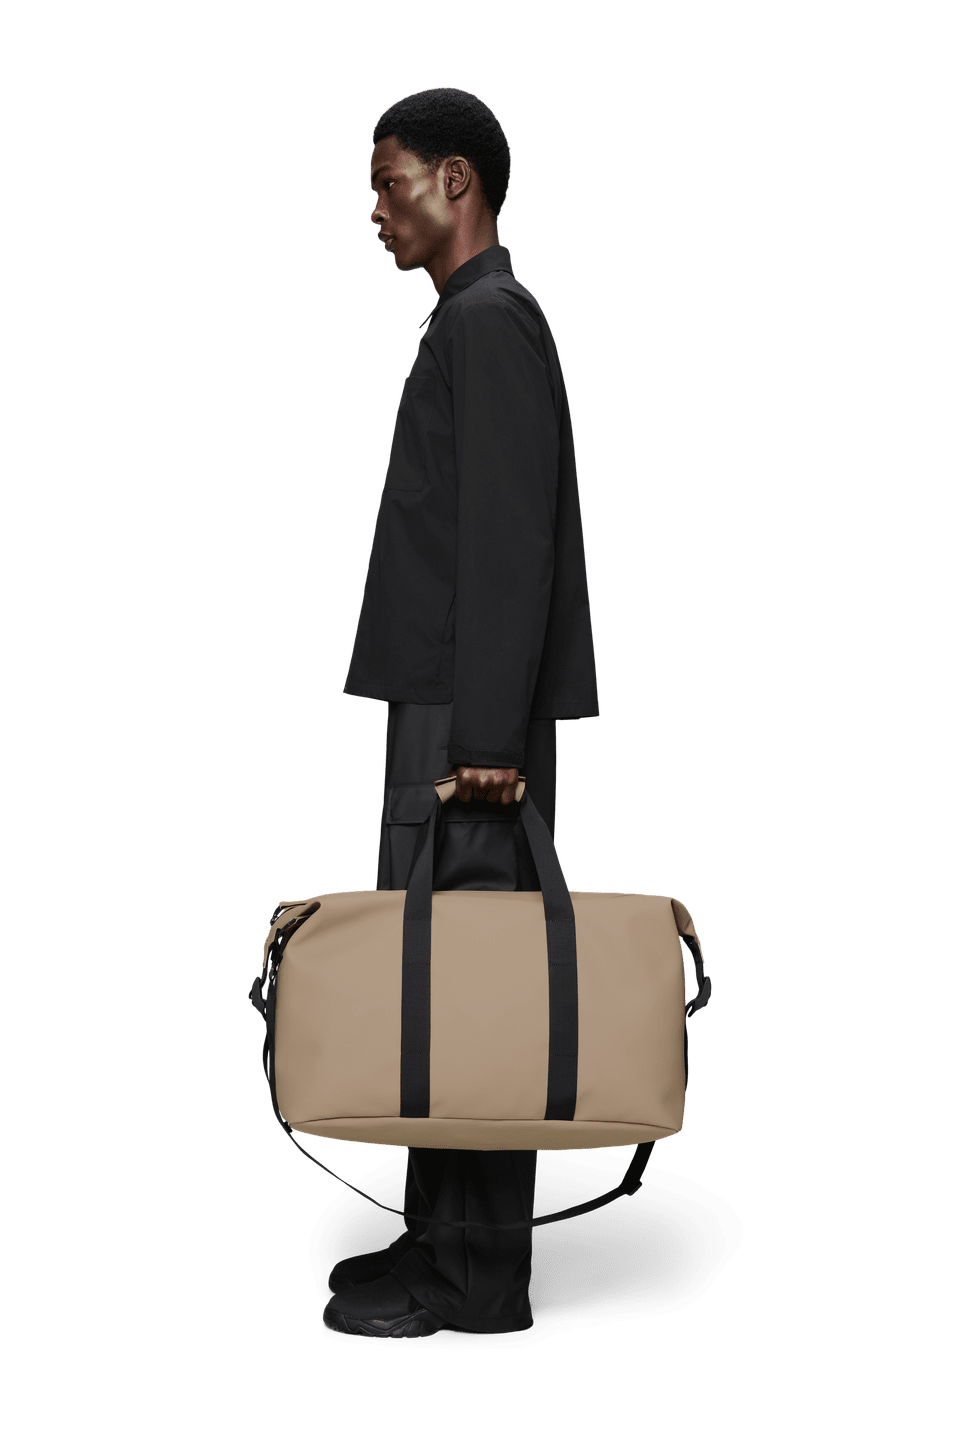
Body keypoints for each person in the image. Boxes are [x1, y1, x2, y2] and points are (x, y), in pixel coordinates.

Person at [321, 87, 600, 1340]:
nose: (376, 210)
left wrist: (485, 740)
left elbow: (507, 542)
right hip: (446, 707)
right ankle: (448, 1253)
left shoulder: (490, 321)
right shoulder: (472, 321)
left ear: (456, 181)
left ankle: (475, 1286)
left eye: (389, 182)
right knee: (436, 982)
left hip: (465, 727)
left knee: (470, 990)